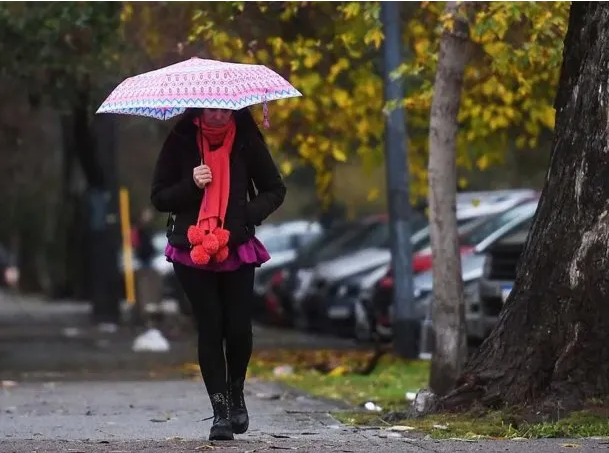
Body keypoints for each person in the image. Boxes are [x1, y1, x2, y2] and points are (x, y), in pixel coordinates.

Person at [150, 107, 286, 441]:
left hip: (235, 247)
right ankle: (220, 412)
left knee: (238, 328)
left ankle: (236, 390)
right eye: (212, 109)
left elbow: (274, 189)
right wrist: (192, 185)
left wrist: (243, 217)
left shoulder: (247, 140)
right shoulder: (181, 139)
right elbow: (159, 197)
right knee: (211, 326)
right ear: (199, 107)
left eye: (224, 109)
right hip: (191, 249)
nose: (218, 115)